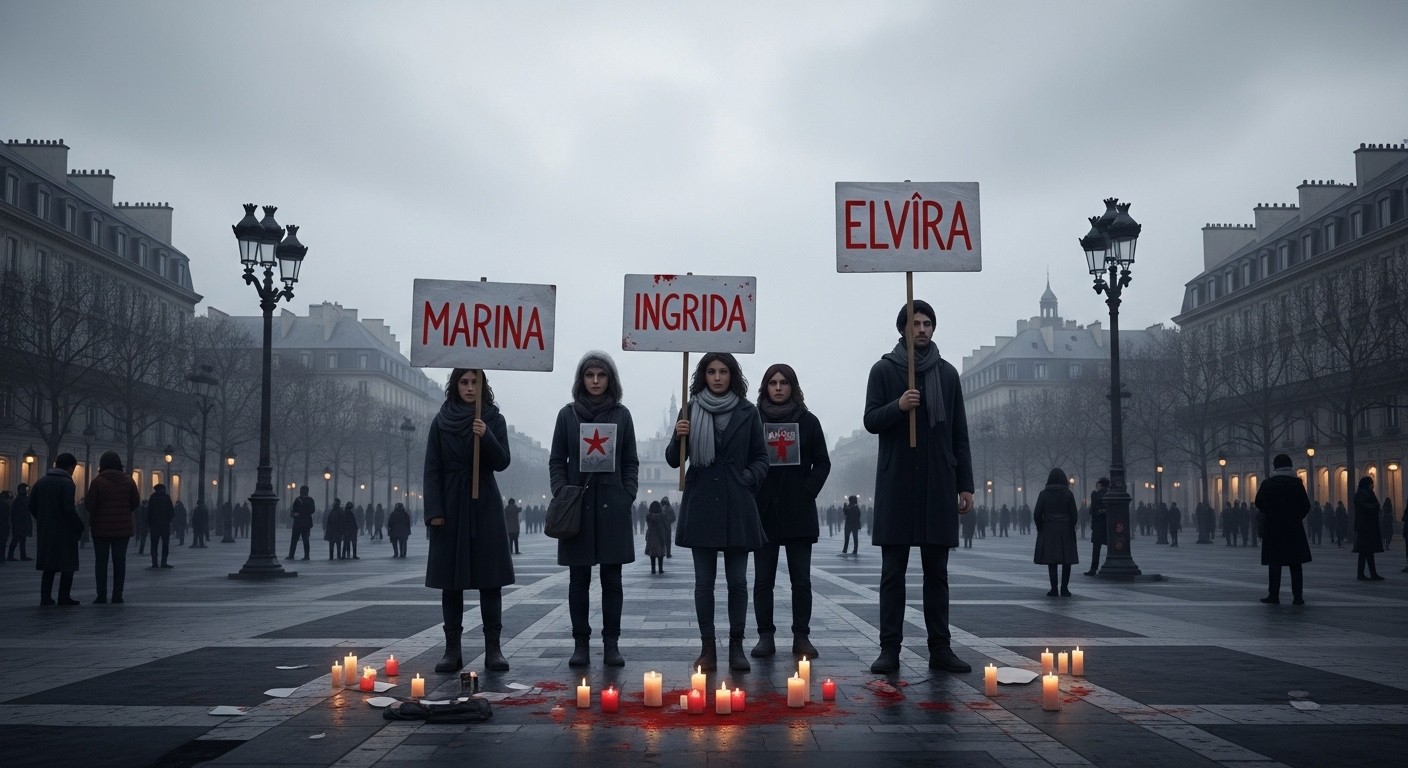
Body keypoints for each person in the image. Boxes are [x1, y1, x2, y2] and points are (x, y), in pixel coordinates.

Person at [864, 300, 974, 675]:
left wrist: (966, 485)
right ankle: (889, 649)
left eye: (928, 323)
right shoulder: (884, 369)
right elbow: (870, 420)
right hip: (897, 482)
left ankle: (940, 648)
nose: (923, 329)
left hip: (937, 482)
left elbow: (959, 433)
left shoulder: (947, 374)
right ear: (903, 329)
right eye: (916, 323)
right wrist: (898, 405)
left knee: (936, 573)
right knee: (893, 573)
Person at [666, 352, 769, 673]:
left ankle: (736, 647)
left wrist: (746, 478)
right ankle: (707, 648)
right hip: (702, 506)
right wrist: (679, 434)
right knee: (703, 583)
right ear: (703, 375)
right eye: (711, 371)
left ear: (732, 375)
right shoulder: (691, 409)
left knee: (738, 582)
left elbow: (761, 458)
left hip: (737, 505)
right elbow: (674, 460)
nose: (718, 377)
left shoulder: (748, 412)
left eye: (724, 371)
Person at [550, 351, 639, 668]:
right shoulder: (568, 415)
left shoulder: (622, 415)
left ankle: (611, 643)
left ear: (610, 379)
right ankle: (581, 643)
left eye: (602, 375)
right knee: (579, 581)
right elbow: (557, 460)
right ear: (581, 380)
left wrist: (627, 494)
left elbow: (630, 461)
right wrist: (562, 492)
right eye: (590, 375)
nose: (596, 381)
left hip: (612, 506)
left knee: (612, 581)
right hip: (579, 507)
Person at [424, 368, 515, 673]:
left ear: (483, 385)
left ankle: (494, 649)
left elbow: (503, 461)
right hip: (450, 504)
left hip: (484, 502)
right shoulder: (441, 421)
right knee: (452, 583)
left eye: (475, 382)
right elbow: (432, 468)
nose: (470, 387)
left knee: (491, 581)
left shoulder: (493, 419)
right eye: (464, 382)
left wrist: (486, 436)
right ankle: (452, 650)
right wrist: (434, 512)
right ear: (455, 385)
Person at [750, 363, 831, 660]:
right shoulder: (753, 420)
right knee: (763, 581)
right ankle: (765, 636)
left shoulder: (809, 422)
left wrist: (806, 490)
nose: (779, 387)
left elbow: (823, 463)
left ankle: (801, 637)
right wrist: (755, 491)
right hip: (764, 512)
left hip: (799, 513)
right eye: (773, 382)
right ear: (765, 387)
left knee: (802, 580)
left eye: (784, 382)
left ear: (793, 386)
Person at [1254, 454, 1312, 604]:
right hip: (1293, 528)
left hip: (1274, 527)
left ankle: (1274, 595)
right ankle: (1297, 596)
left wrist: (1271, 513)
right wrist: (1295, 517)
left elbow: (1259, 502)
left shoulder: (1268, 483)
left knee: (1275, 563)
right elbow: (1306, 505)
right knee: (1295, 564)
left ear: (1275, 466)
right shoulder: (1297, 483)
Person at [85, 451, 139, 604]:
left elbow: (89, 505)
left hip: (100, 528)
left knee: (101, 562)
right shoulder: (129, 481)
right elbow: (135, 502)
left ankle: (101, 595)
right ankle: (117, 595)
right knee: (119, 561)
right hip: (122, 528)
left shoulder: (97, 482)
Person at [32, 454, 83, 606]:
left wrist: (41, 518)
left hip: (46, 529)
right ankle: (64, 596)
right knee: (68, 565)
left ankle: (45, 597)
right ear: (69, 467)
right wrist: (78, 525)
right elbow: (68, 508)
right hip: (64, 530)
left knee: (48, 566)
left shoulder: (41, 481)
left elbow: (32, 504)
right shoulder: (67, 483)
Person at [1033, 468, 1079, 597]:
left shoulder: (1043, 494)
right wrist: (1071, 526)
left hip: (1049, 528)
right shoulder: (1068, 494)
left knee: (1051, 560)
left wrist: (1041, 527)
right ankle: (1064, 589)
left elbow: (1037, 514)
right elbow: (1074, 515)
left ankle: (1054, 589)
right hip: (1065, 529)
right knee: (1066, 560)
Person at [1353, 476, 1386, 580]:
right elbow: (1365, 506)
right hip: (1366, 526)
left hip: (1367, 525)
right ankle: (1364, 573)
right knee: (1365, 551)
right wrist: (1374, 506)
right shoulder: (1362, 493)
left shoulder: (1364, 492)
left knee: (1367, 551)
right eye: (1371, 483)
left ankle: (1369, 573)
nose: (1373, 485)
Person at [146, 483, 174, 569]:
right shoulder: (167, 497)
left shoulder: (152, 498)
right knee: (165, 544)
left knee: (154, 545)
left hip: (154, 525)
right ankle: (163, 562)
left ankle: (154, 563)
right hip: (165, 525)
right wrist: (168, 520)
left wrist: (150, 523)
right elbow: (172, 512)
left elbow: (149, 512)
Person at [1085, 478, 1109, 575]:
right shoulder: (1111, 494)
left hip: (1097, 525)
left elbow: (1092, 511)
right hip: (1107, 525)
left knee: (1096, 549)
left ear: (1100, 485)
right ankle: (1108, 565)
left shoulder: (1095, 494)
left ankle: (1093, 569)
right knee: (1111, 548)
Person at [288, 486, 314, 561]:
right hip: (306, 523)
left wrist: (297, 513)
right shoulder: (310, 500)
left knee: (294, 540)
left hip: (298, 522)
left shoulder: (297, 500)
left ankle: (291, 555)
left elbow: (294, 510)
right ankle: (306, 555)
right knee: (306, 539)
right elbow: (312, 510)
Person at [8, 483, 31, 560]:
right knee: (15, 539)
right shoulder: (18, 500)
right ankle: (10, 556)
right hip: (19, 523)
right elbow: (14, 513)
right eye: (25, 489)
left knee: (22, 540)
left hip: (23, 522)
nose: (27, 491)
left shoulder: (25, 499)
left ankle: (23, 555)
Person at [645, 501, 667, 574]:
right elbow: (664, 526)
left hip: (651, 535)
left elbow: (648, 525)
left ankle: (653, 569)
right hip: (659, 535)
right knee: (661, 553)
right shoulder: (662, 516)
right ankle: (660, 569)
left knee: (652, 554)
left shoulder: (648, 516)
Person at [0, 489, 11, 564]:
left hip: (3, 526)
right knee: (2, 544)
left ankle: (2, 557)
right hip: (3, 527)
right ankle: (2, 557)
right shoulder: (5, 505)